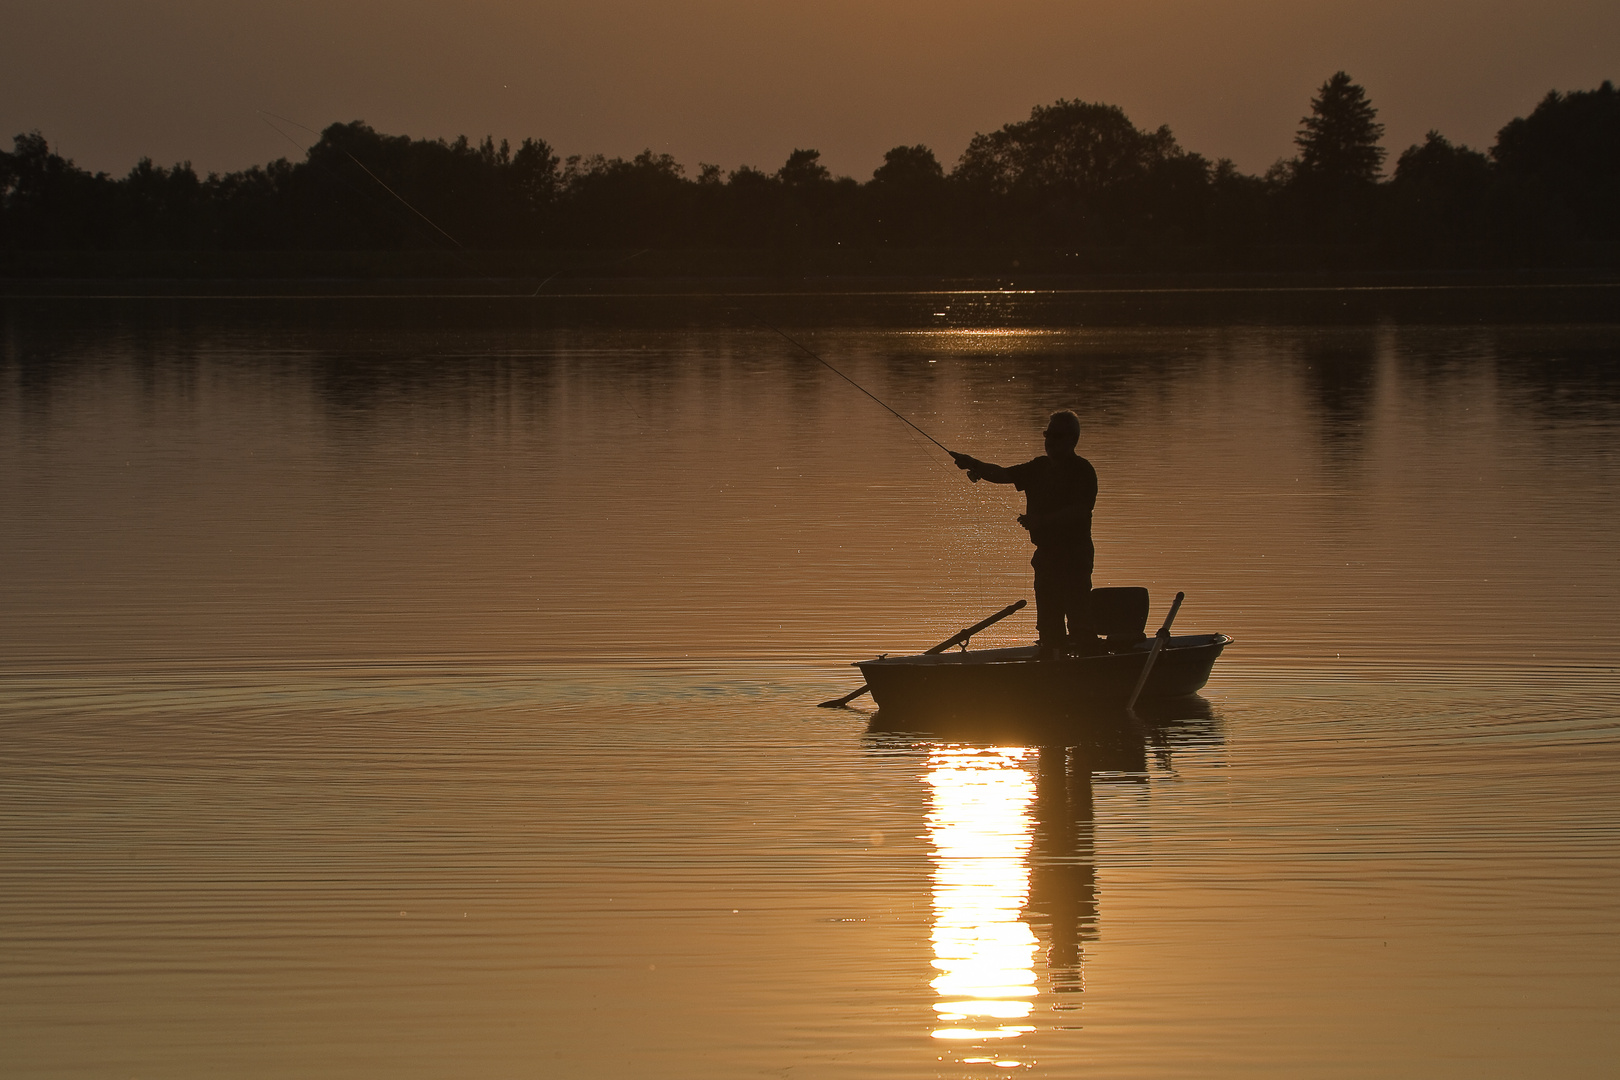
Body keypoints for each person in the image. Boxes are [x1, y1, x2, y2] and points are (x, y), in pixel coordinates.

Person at [950, 411, 1100, 659]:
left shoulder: (1082, 471)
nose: (1050, 440)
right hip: (1046, 558)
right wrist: (972, 463)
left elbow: (1080, 510)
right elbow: (1003, 474)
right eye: (1047, 434)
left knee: (1079, 622)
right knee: (1049, 624)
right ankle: (1054, 667)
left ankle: (1091, 667)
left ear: (1073, 440)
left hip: (1074, 556)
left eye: (1057, 436)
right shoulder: (1038, 467)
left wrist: (1041, 520)